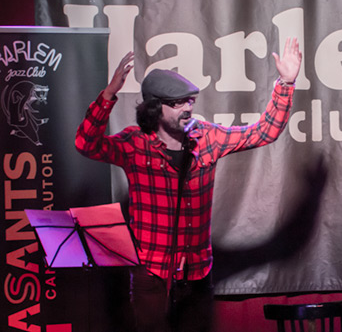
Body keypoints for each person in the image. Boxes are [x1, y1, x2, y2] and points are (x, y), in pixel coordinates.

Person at [75, 37, 302, 332]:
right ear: (155, 109)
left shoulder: (207, 137)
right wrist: (108, 96)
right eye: (179, 102)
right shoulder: (134, 144)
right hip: (151, 271)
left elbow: (263, 132)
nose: (187, 108)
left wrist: (285, 83)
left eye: (190, 101)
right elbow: (85, 143)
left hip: (196, 271)